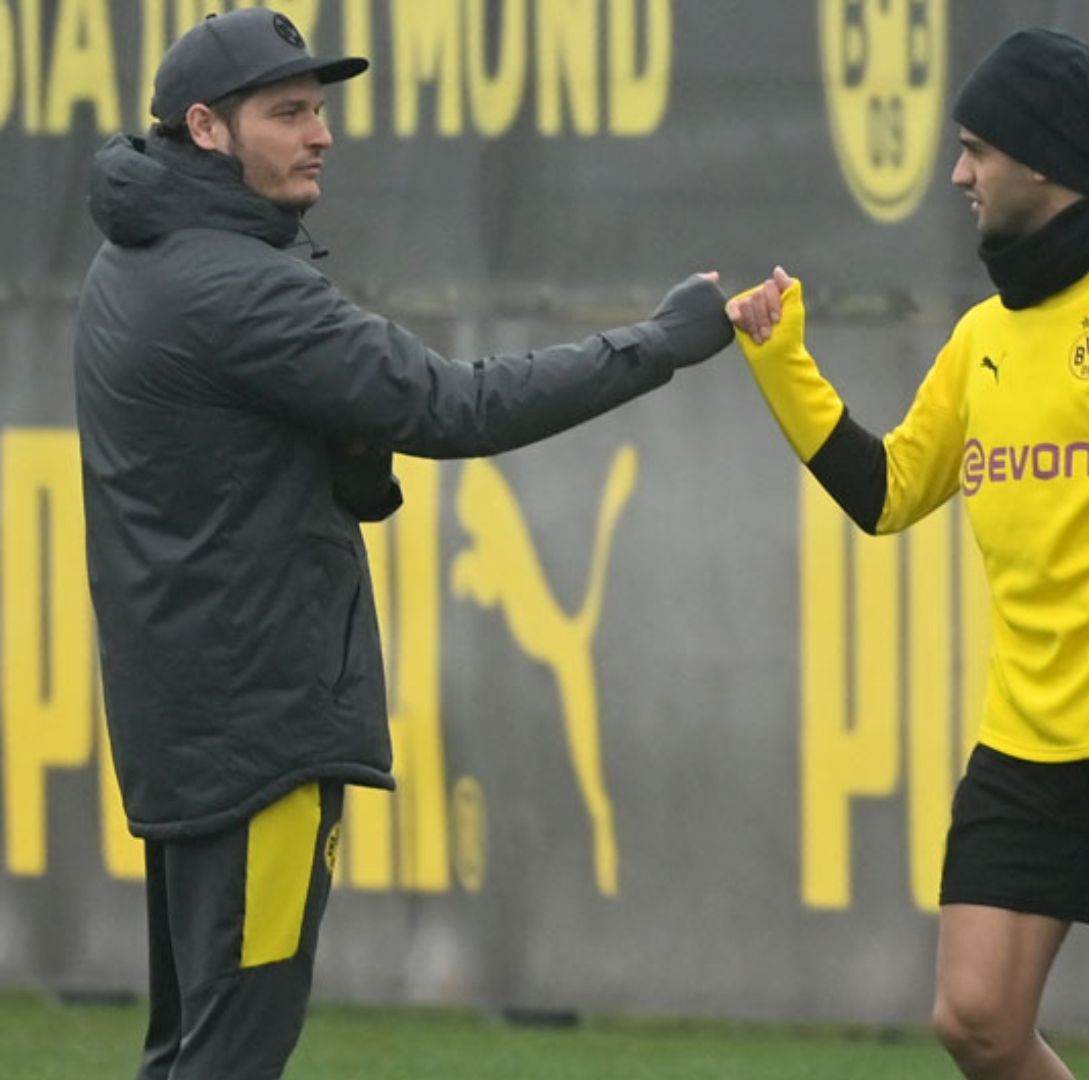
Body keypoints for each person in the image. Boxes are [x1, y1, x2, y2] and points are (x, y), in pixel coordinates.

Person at [71, 9, 733, 1078]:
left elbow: (247, 441)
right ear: (205, 127)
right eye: (288, 114)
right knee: (231, 1057)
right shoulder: (238, 288)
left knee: (184, 1051)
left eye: (319, 111)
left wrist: (339, 448)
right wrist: (659, 343)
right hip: (259, 745)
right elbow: (454, 406)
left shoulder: (130, 262)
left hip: (181, 728)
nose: (320, 134)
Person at [727, 27, 1089, 1080]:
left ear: (1043, 159)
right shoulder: (984, 335)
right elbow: (886, 492)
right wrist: (781, 362)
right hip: (1028, 741)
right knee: (975, 1020)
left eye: (977, 148)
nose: (958, 173)